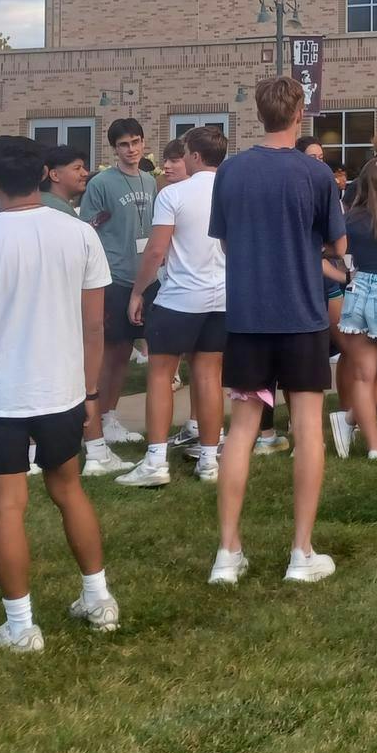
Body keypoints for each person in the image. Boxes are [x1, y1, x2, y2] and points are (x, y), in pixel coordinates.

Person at [0, 135, 119, 653]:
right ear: (44, 173)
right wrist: (89, 392)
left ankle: (21, 626)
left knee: (6, 505)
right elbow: (94, 327)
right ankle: (99, 597)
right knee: (69, 489)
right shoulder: (79, 235)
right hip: (61, 388)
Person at [207, 76, 347, 587]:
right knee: (308, 428)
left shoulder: (231, 172)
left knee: (241, 430)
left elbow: (222, 242)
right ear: (299, 113)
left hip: (246, 319)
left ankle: (227, 552)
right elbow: (338, 243)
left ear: (258, 113)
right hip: (303, 317)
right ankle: (300, 551)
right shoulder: (315, 174)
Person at [118, 124, 228, 488]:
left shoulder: (174, 194)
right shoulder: (233, 190)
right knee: (209, 375)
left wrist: (137, 292)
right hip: (223, 297)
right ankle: (209, 460)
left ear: (194, 156)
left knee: (161, 375)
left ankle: (155, 460)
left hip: (180, 296)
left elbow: (155, 250)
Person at [78, 118, 155, 467]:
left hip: (144, 276)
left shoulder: (151, 180)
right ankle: (98, 419)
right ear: (114, 149)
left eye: (136, 141)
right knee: (109, 351)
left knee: (126, 352)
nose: (131, 149)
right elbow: (89, 227)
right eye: (124, 144)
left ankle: (110, 415)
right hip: (112, 275)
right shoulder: (101, 183)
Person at [329, 164, 377, 461]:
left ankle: (374, 445)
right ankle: (351, 419)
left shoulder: (351, 218)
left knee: (362, 374)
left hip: (357, 289)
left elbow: (333, 251)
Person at [40, 145, 89, 215]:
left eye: (83, 168)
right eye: (77, 168)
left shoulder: (42, 202)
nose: (85, 173)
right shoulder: (58, 209)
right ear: (55, 175)